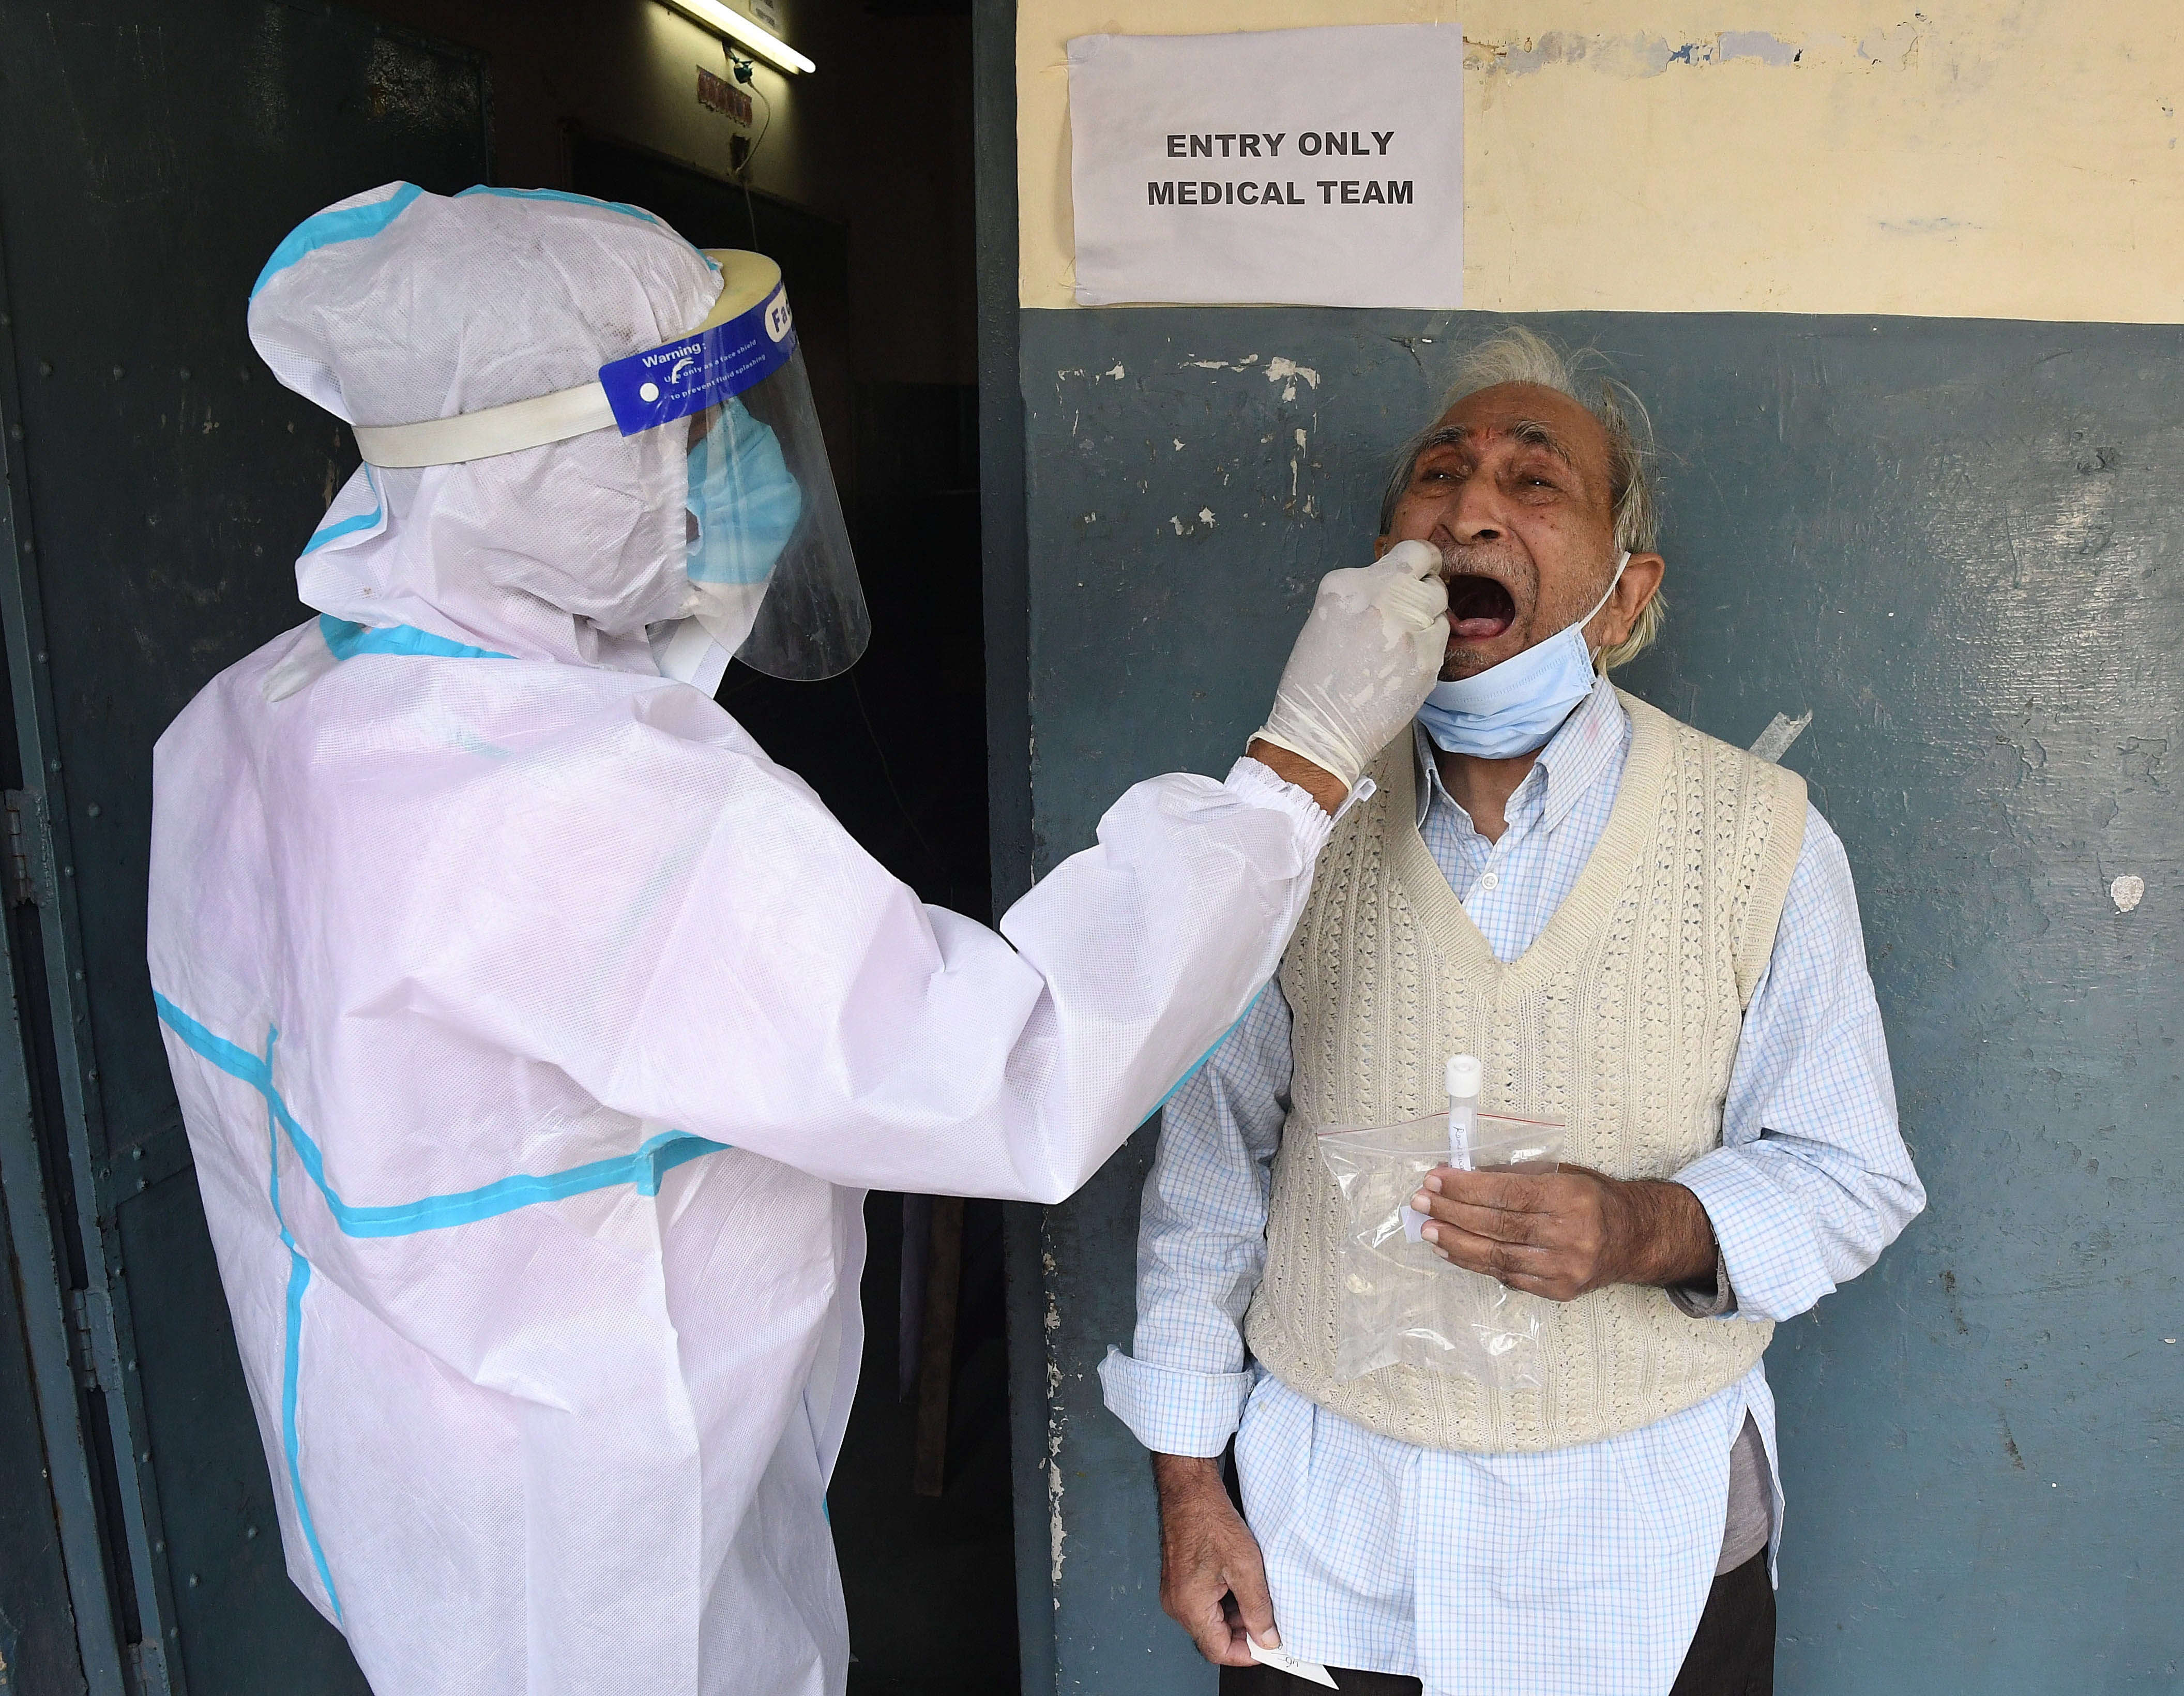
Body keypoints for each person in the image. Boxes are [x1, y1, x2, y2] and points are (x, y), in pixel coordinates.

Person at [146, 183, 1449, 1696]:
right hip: (608, 1543)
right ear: (547, 474)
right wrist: (1298, 767)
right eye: (686, 434)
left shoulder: (262, 718)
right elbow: (1011, 1069)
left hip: (412, 1479)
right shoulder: (584, 800)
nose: (744, 465)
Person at [1101, 328, 1925, 1695]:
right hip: (1331, 1538)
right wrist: (1190, 1490)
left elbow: (1852, 1175)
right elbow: (1207, 1182)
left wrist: (1646, 1227)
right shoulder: (1281, 828)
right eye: (1440, 476)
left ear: (1622, 594)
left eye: (1536, 483)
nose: (1472, 507)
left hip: (1639, 1538)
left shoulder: (1758, 836)